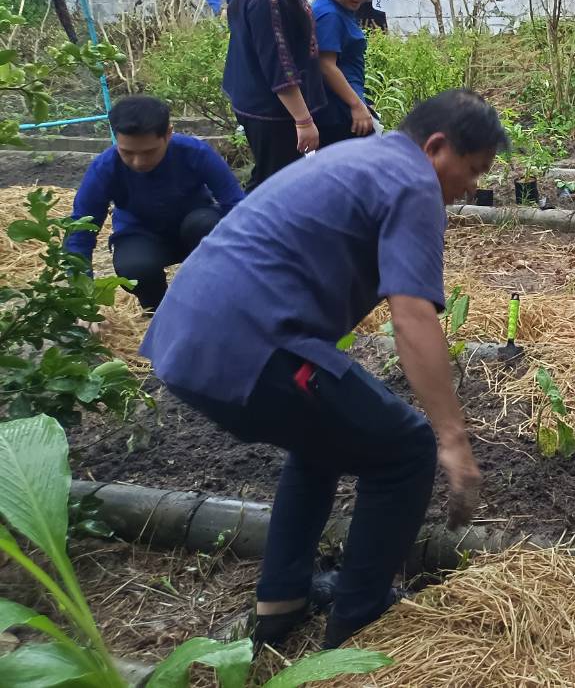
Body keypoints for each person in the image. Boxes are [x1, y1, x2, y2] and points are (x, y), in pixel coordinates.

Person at [139, 89, 508, 648]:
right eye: (473, 169)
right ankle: (360, 619)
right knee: (408, 448)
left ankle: (282, 597)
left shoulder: (359, 156)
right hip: (247, 344)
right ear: (437, 148)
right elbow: (411, 316)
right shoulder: (412, 183)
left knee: (322, 440)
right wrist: (453, 440)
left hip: (188, 338)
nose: (472, 186)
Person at [65, 95, 243, 312]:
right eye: (127, 153)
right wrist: (82, 300)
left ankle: (216, 297)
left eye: (149, 152)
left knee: (207, 225)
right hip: (140, 234)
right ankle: (159, 311)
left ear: (168, 134)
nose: (138, 162)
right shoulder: (105, 168)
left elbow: (236, 206)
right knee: (135, 268)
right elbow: (80, 231)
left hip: (195, 227)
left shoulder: (194, 153)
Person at [223, 0, 327, 190]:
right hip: (269, 107)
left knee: (273, 176)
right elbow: (279, 64)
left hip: (269, 102)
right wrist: (303, 120)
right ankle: (245, 229)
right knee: (276, 183)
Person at [313, 0, 376, 147]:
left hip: (346, 101)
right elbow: (326, 66)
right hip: (338, 109)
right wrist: (356, 105)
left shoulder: (339, 7)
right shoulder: (329, 15)